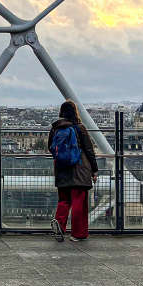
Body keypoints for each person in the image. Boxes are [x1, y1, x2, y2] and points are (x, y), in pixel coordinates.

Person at [48, 100, 98, 242]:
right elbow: (89, 150)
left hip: (61, 169)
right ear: (75, 112)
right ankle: (78, 234)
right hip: (79, 170)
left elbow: (51, 148)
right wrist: (94, 170)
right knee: (79, 203)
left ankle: (59, 223)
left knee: (64, 200)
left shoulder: (55, 129)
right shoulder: (79, 128)